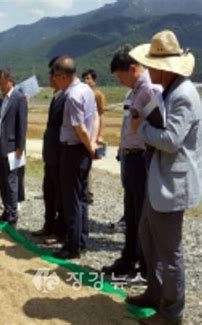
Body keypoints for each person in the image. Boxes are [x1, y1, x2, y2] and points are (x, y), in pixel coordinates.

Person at [126, 30, 202, 325]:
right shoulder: (172, 91)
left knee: (170, 252)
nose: (148, 70)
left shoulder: (182, 95)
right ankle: (155, 292)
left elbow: (171, 140)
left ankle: (172, 312)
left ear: (162, 67)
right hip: (161, 180)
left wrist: (141, 127)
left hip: (172, 184)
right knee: (149, 236)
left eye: (151, 65)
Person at [102, 45, 161, 280]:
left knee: (142, 215)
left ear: (133, 69)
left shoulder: (150, 90)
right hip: (131, 156)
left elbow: (158, 125)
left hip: (141, 158)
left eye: (120, 76)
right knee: (132, 213)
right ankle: (129, 258)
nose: (119, 82)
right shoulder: (136, 90)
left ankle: (145, 268)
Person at [51, 56, 98, 259]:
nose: (54, 81)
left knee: (72, 201)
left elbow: (79, 127)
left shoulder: (72, 96)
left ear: (62, 76)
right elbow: (94, 118)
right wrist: (93, 145)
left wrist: (90, 147)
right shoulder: (87, 90)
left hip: (73, 150)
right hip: (82, 150)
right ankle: (81, 240)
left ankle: (73, 246)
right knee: (81, 197)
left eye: (55, 77)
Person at [32, 56, 67, 243]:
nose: (48, 77)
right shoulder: (56, 96)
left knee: (60, 195)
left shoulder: (66, 96)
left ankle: (59, 231)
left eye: (51, 74)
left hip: (59, 155)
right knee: (49, 192)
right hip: (50, 156)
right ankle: (48, 225)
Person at [0, 68, 28, 227]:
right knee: (1, 181)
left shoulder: (19, 99)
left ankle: (13, 216)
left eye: (2, 83)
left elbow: (22, 124)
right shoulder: (0, 101)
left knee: (12, 181)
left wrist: (20, 146)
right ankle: (6, 210)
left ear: (10, 81)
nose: (0, 86)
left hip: (13, 147)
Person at [82, 69, 106, 205]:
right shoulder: (82, 94)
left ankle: (89, 193)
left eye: (89, 78)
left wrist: (100, 135)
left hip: (93, 133)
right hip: (84, 133)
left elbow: (101, 115)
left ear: (94, 81)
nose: (86, 81)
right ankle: (86, 190)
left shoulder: (98, 95)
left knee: (88, 164)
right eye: (84, 78)